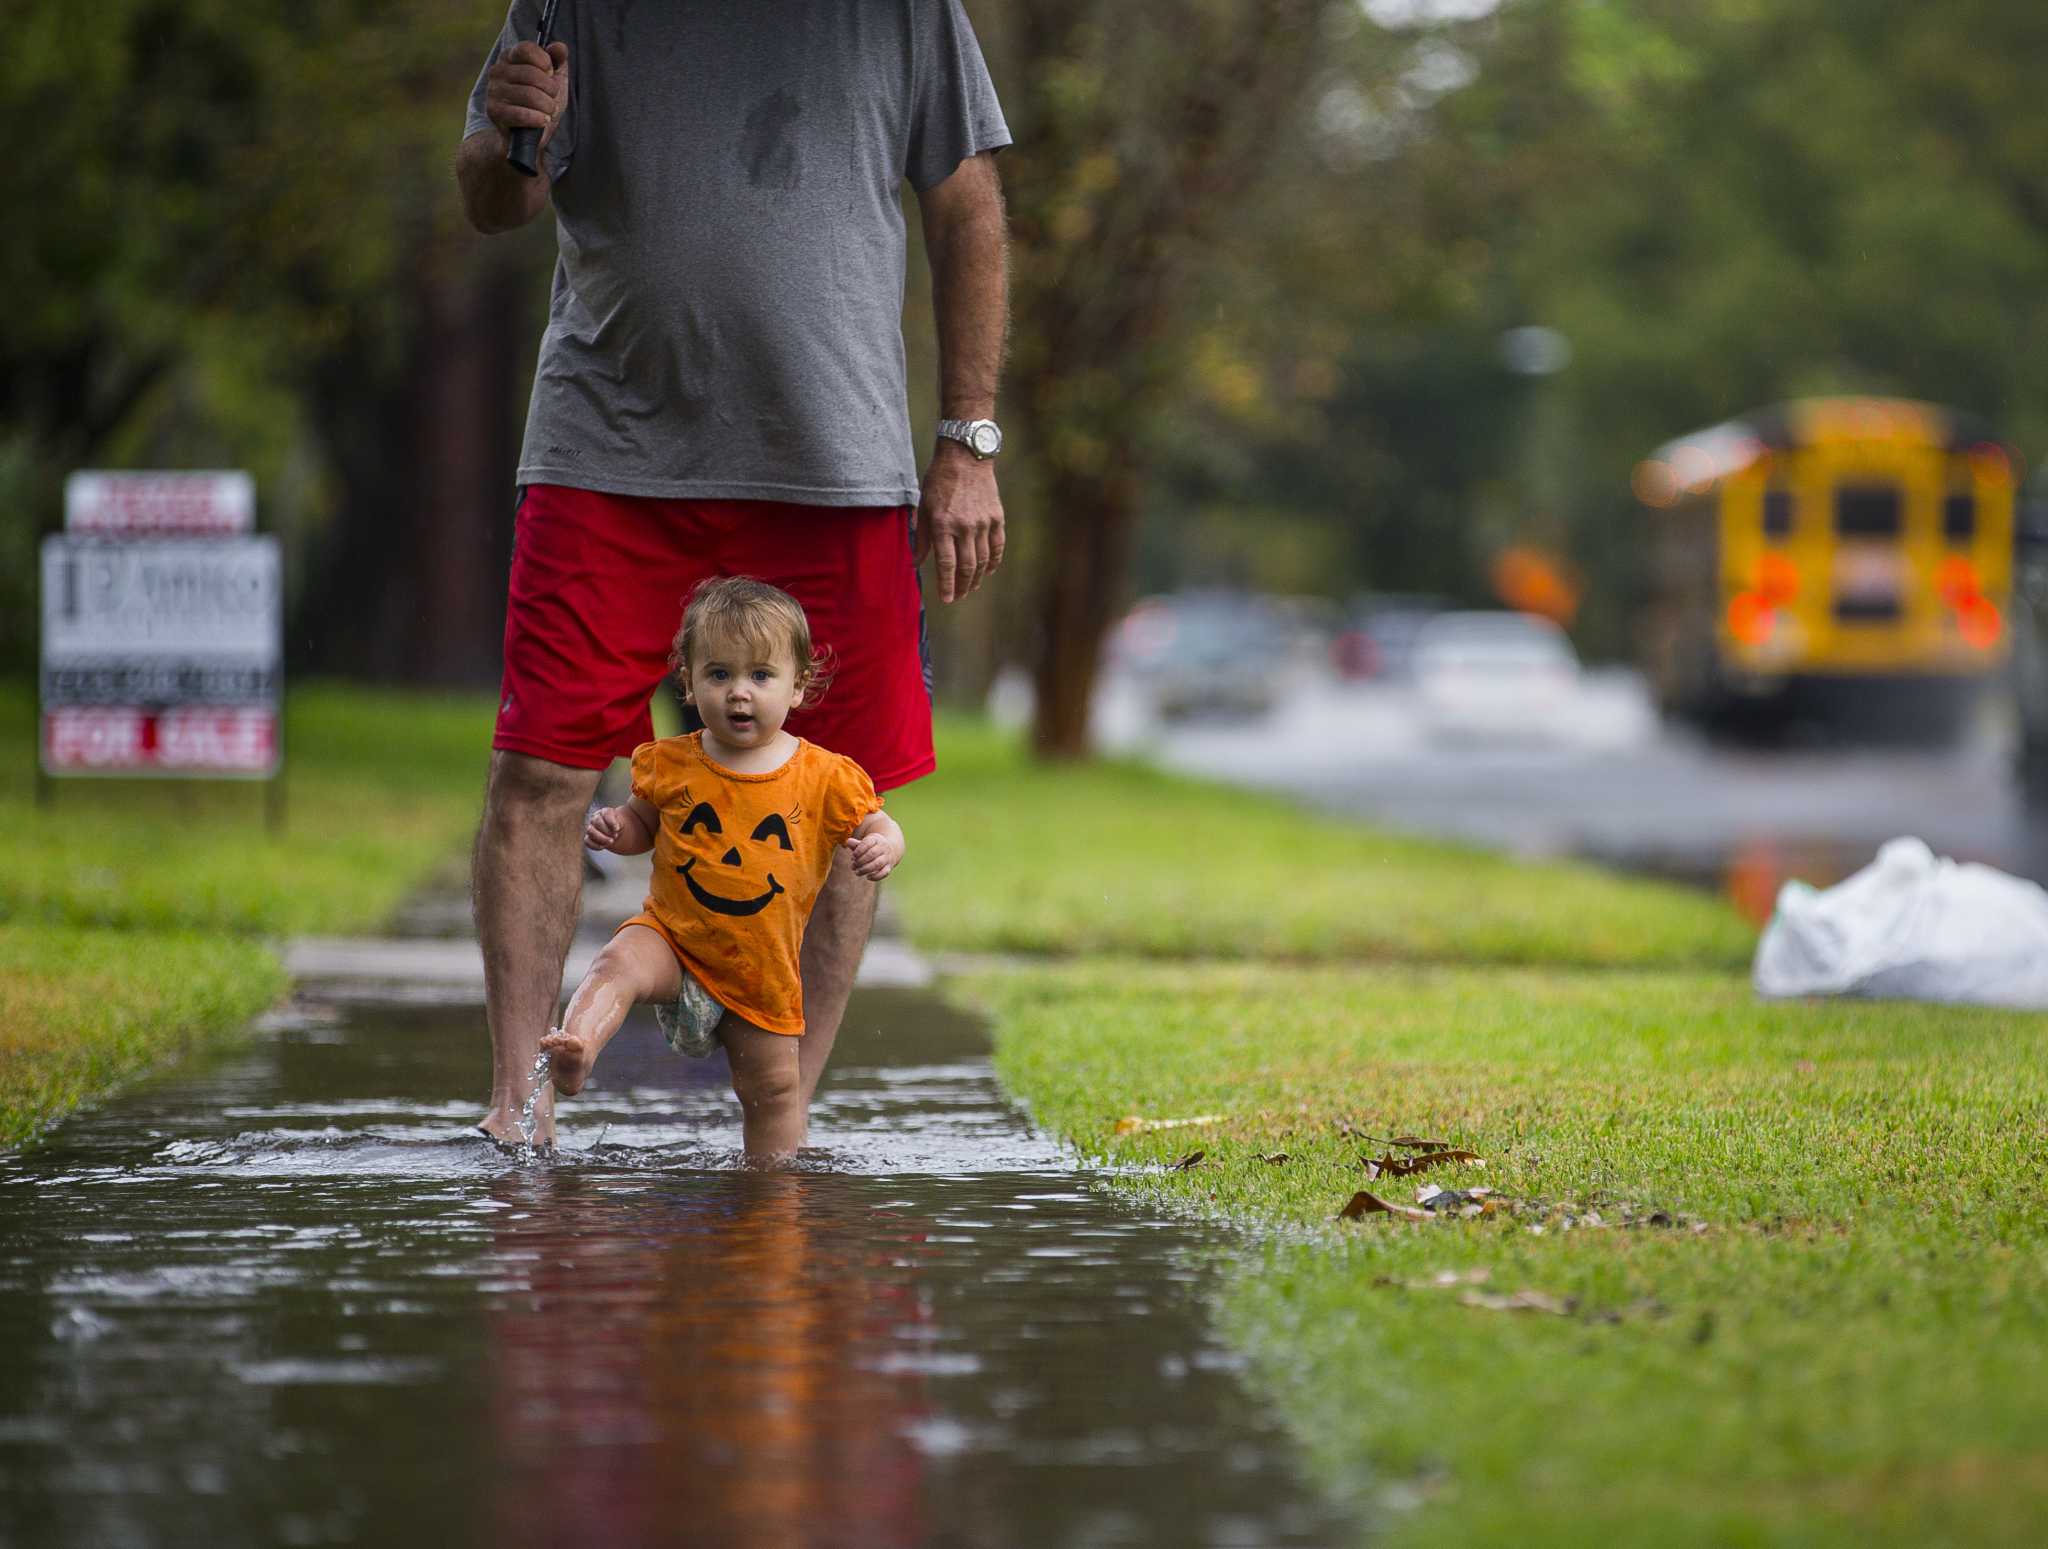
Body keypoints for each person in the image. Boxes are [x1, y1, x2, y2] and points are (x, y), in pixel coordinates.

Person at [453, 3, 1011, 1147]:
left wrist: (968, 439)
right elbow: (496, 200)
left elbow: (965, 204)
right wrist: (504, 135)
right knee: (540, 775)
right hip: (608, 447)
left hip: (831, 456)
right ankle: (516, 1106)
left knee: (839, 793)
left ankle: (781, 1112)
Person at [538, 578, 904, 1162]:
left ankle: (772, 1188)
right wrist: (618, 831)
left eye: (760, 675)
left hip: (760, 970)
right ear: (688, 681)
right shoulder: (671, 763)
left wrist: (885, 845)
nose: (739, 693)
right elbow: (642, 825)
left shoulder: (825, 776)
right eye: (719, 675)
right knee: (616, 963)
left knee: (773, 1092)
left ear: (799, 684)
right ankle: (578, 1044)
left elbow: (878, 824)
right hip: (673, 940)